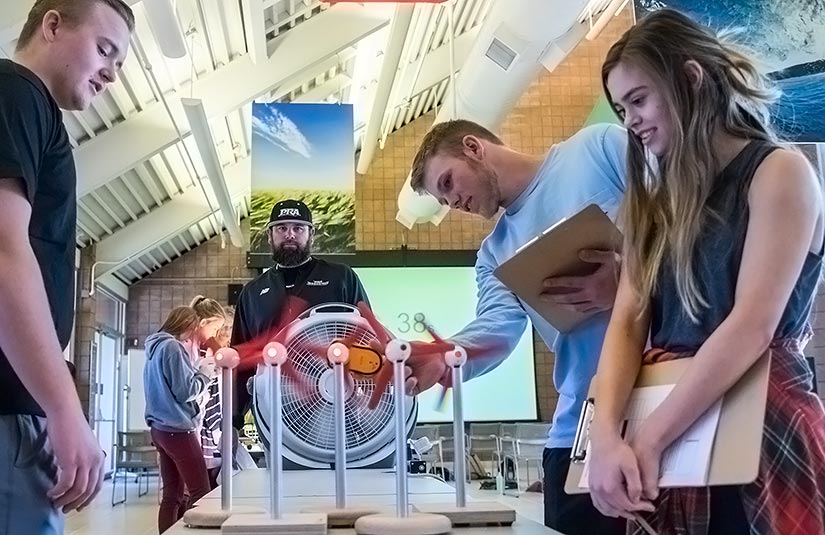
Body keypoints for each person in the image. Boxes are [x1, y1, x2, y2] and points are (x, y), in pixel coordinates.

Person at [587, 9, 825, 534]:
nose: (630, 121)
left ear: (691, 78)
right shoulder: (648, 203)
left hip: (760, 420)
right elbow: (627, 321)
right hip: (671, 427)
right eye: (621, 108)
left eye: (639, 99)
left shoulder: (779, 172)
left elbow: (751, 326)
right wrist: (605, 436)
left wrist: (650, 439)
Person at [405, 118, 627, 534]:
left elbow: (686, 223)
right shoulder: (493, 255)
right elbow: (498, 326)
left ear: (474, 147)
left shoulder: (598, 149)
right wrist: (444, 356)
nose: (453, 203)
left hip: (667, 399)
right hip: (580, 424)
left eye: (449, 182)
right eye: (443, 199)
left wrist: (630, 274)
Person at [0, 1, 133, 532]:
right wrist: (63, 409)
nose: (110, 72)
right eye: (105, 50)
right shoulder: (19, 93)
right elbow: (6, 251)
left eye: (119, 65)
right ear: (52, 25)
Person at [231, 199, 371, 428]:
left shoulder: (341, 277)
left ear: (311, 234)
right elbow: (241, 360)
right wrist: (233, 424)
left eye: (298, 228)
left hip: (338, 405)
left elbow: (366, 337)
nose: (290, 235)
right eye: (282, 228)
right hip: (273, 413)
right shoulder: (252, 293)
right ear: (270, 235)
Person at [144, 302, 225, 533]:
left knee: (172, 496)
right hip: (178, 430)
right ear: (192, 324)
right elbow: (186, 391)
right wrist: (206, 373)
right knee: (202, 493)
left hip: (159, 430)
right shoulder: (173, 347)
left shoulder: (154, 346)